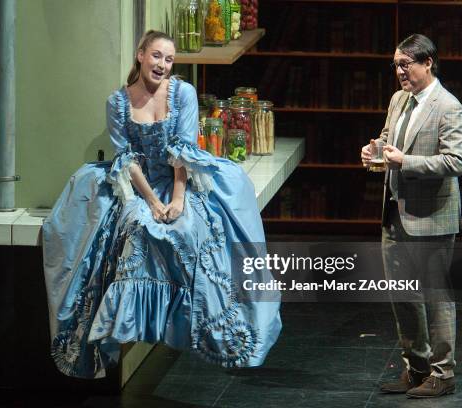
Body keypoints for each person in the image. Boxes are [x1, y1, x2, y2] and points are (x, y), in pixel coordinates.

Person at [42, 30, 282, 379]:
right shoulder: (118, 102)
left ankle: (207, 331)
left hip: (180, 180)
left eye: (169, 60)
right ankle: (131, 326)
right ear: (140, 55)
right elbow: (127, 161)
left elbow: (183, 151)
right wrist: (153, 202)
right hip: (140, 185)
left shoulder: (182, 93)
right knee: (137, 230)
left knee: (186, 230)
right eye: (156, 56)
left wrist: (178, 200)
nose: (162, 65)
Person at [361, 34, 462, 398]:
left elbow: (454, 162)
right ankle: (416, 368)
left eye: (406, 64)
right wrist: (374, 150)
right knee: (401, 294)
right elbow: (389, 137)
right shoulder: (399, 99)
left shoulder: (448, 107)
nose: (400, 72)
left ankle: (443, 373)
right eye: (396, 64)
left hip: (432, 217)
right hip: (395, 213)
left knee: (436, 297)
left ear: (428, 63)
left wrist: (403, 161)